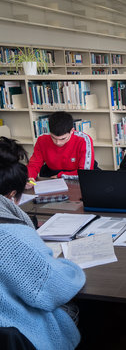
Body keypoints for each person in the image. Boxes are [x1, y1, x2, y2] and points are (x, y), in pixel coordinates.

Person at [0, 136, 86, 350]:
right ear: (12, 195)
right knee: (81, 309)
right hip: (17, 334)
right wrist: (69, 265)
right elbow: (57, 289)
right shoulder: (12, 237)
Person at [26, 111, 96, 188]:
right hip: (52, 175)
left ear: (72, 131)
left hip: (76, 175)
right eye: (53, 137)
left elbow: (85, 173)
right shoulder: (42, 140)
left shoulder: (84, 140)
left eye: (63, 139)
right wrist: (29, 177)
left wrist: (61, 176)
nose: (58, 143)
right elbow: (34, 164)